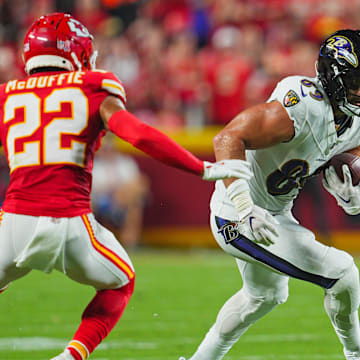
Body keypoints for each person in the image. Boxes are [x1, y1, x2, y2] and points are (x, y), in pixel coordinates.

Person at [0, 13, 249, 360]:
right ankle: (71, 356)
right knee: (121, 281)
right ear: (74, 53)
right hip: (69, 224)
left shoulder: (6, 95)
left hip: (13, 224)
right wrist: (202, 167)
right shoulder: (90, 86)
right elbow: (137, 133)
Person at [180, 29, 360, 360]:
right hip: (237, 213)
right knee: (344, 273)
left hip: (276, 212)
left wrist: (352, 198)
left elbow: (345, 162)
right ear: (334, 77)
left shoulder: (351, 120)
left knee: (263, 296)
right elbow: (226, 139)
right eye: (356, 79)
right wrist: (245, 208)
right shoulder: (303, 105)